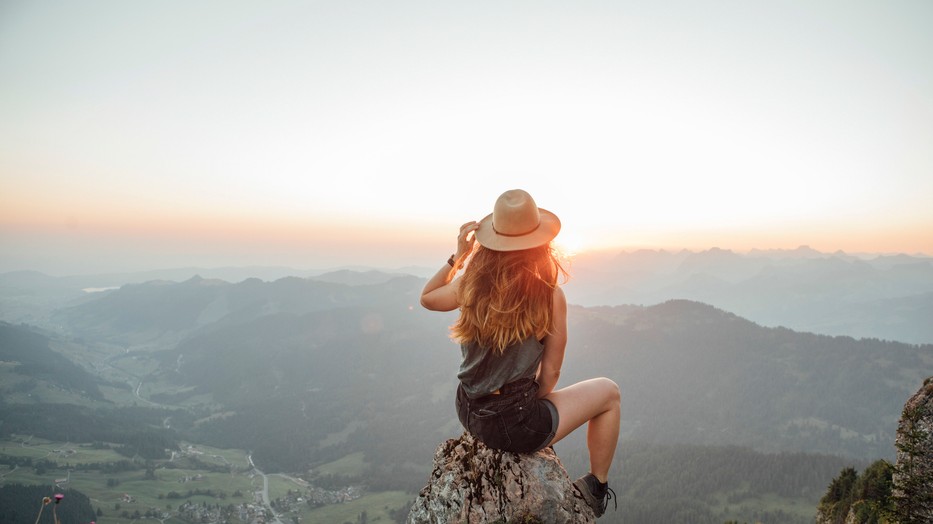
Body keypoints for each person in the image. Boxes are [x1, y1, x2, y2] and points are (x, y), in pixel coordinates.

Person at [420, 189, 621, 517]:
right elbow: (552, 373)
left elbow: (428, 298)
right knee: (609, 394)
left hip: (468, 409)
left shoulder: (472, 282)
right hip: (514, 423)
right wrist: (527, 406)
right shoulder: (550, 297)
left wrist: (457, 256)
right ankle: (596, 487)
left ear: (492, 239)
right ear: (542, 242)